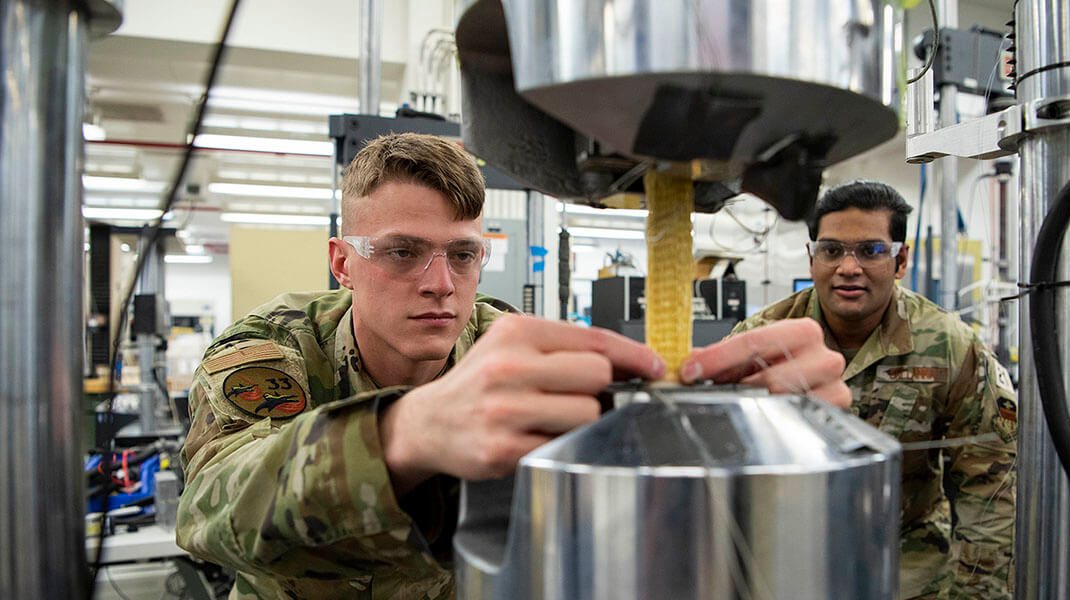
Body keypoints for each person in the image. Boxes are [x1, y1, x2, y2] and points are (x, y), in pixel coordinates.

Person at [176, 132, 851, 599]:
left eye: (462, 254)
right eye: (403, 252)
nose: (440, 282)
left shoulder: (507, 344)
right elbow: (212, 510)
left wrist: (746, 418)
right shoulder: (273, 348)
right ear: (343, 262)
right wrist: (403, 434)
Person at [731, 180, 1017, 600]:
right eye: (831, 251)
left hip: (905, 561)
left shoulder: (948, 345)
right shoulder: (762, 342)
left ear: (900, 261)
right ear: (812, 260)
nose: (849, 267)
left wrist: (978, 593)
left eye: (871, 251)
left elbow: (990, 482)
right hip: (786, 556)